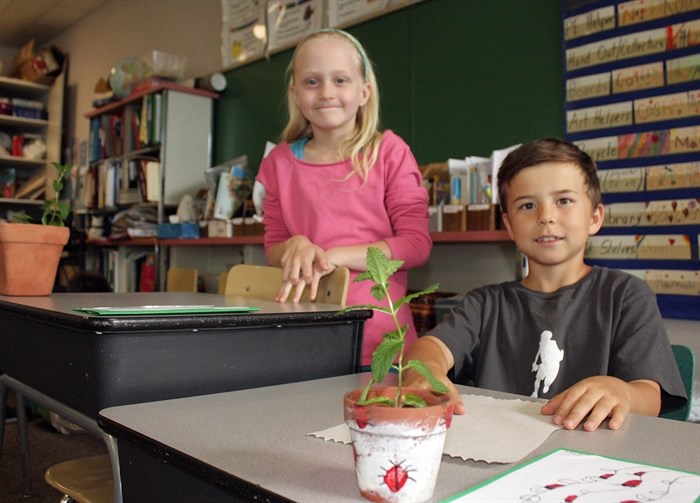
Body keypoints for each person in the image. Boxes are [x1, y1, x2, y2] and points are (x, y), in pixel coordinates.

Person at [404, 138, 687, 431]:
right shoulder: (484, 304)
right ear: (510, 225)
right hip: (503, 453)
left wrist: (622, 391)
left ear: (594, 217)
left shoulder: (627, 296)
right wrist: (426, 370)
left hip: (591, 459)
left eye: (563, 201)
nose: (546, 217)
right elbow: (430, 347)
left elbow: (649, 396)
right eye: (527, 205)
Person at [256, 29, 431, 368]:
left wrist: (333, 256)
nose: (326, 93)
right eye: (311, 82)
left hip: (382, 345)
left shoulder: (389, 152)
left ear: (364, 91)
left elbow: (415, 245)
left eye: (340, 80)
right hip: (303, 339)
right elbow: (273, 247)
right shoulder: (277, 163)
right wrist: (296, 245)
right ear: (295, 92)